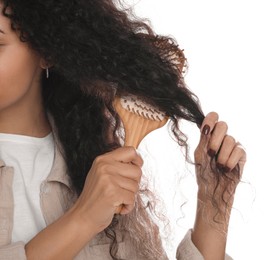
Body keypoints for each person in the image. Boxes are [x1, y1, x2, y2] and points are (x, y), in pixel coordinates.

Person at [0, 0, 246, 259]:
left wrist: (214, 204)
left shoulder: (90, 160)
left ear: (46, 51)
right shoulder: (99, 185)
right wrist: (84, 217)